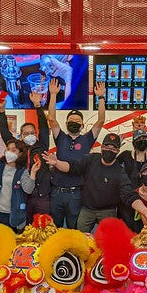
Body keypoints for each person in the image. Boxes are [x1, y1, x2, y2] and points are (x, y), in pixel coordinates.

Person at [43, 133, 147, 233]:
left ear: (117, 151)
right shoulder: (90, 159)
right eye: (107, 146)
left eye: (113, 148)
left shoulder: (119, 172)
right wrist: (57, 163)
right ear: (101, 147)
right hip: (87, 209)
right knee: (80, 236)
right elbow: (72, 167)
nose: (109, 150)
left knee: (109, 239)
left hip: (108, 211)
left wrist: (144, 211)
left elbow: (129, 194)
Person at [47, 79, 106, 228]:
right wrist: (53, 94)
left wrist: (100, 97)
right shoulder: (60, 137)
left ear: (82, 125)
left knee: (73, 228)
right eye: (71, 120)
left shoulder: (87, 139)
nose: (74, 122)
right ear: (66, 124)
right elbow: (52, 119)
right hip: (56, 193)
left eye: (77, 120)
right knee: (55, 228)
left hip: (76, 194)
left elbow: (100, 121)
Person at [0, 89, 51, 223]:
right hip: (23, 194)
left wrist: (38, 106)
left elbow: (44, 126)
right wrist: (2, 111)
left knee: (43, 226)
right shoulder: (18, 148)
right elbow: (4, 133)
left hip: (42, 195)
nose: (29, 135)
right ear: (21, 135)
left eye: (32, 133)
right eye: (26, 133)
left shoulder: (42, 145)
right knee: (23, 227)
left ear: (36, 134)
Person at [116, 128, 147, 231]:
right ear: (133, 142)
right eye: (139, 138)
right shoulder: (125, 155)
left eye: (144, 138)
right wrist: (116, 147)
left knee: (144, 232)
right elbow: (111, 165)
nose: (142, 140)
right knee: (127, 232)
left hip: (146, 201)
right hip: (126, 202)